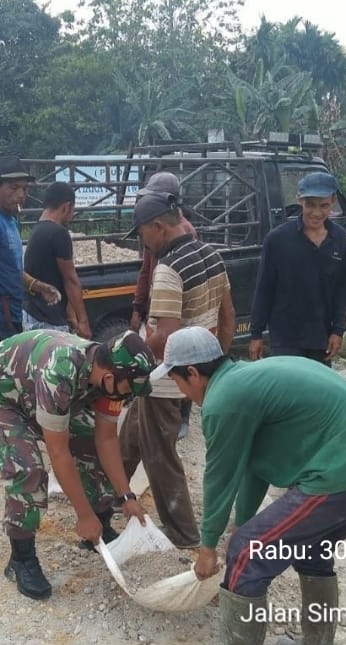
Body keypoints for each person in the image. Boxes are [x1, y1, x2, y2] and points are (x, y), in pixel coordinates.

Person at [157, 326, 346, 645]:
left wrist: (209, 546)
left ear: (192, 373)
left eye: (178, 382)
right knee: (311, 549)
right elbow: (255, 466)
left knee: (249, 551)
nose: (181, 393)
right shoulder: (248, 381)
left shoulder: (225, 399)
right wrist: (243, 520)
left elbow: (219, 477)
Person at [0, 330, 157, 600]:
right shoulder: (61, 370)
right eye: (129, 390)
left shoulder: (109, 377)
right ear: (111, 377)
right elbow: (58, 452)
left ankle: (99, 524)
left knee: (89, 440)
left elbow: (106, 439)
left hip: (34, 392)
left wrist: (126, 496)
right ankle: (21, 560)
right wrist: (82, 515)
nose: (129, 396)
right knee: (27, 469)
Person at [119, 193, 234, 548]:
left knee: (160, 457)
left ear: (158, 227)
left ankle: (184, 533)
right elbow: (228, 316)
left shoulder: (168, 269)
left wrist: (133, 359)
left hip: (165, 380)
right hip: (194, 373)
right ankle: (108, 497)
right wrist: (216, 365)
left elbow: (165, 332)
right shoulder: (211, 254)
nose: (143, 242)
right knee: (129, 440)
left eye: (142, 233)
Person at [248, 171, 346, 365]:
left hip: (321, 337)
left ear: (333, 201)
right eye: (310, 205)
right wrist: (256, 333)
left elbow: (341, 289)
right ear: (299, 200)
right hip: (285, 339)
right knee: (286, 392)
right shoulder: (277, 239)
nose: (316, 213)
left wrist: (338, 330)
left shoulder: (340, 238)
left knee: (316, 392)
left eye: (324, 205)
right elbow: (264, 289)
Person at [128, 171, 199, 440]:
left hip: (175, 305)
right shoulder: (153, 231)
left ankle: (179, 417)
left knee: (177, 361)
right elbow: (146, 270)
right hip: (157, 301)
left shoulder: (185, 234)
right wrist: (138, 306)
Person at [0, 156, 60, 349]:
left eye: (24, 189)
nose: (20, 194)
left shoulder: (10, 219)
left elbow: (10, 269)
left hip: (12, 317)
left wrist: (37, 286)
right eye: (13, 187)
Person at [22, 182, 91, 337]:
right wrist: (84, 322)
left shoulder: (37, 231)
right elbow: (70, 280)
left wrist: (70, 315)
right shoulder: (59, 233)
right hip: (49, 320)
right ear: (66, 207)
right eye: (72, 210)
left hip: (32, 315)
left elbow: (54, 276)